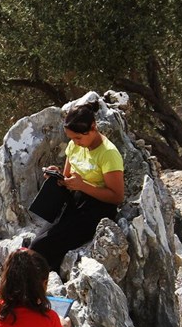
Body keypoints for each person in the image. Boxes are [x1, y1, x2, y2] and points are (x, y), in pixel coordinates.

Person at [29, 101, 125, 272]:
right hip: (75, 201)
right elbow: (67, 176)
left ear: (93, 127)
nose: (75, 142)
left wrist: (83, 185)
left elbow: (117, 196)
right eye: (72, 138)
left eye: (79, 138)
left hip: (96, 210)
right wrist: (56, 175)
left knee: (41, 246)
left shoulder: (108, 153)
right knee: (35, 242)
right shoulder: (74, 145)